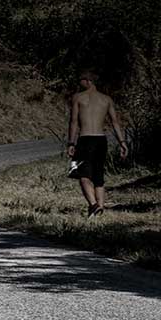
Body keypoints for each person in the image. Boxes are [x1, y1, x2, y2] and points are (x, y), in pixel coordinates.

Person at [67, 68, 128, 217]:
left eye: (80, 80)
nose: (79, 83)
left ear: (88, 81)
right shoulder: (106, 99)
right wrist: (122, 142)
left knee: (82, 175)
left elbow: (74, 122)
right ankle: (100, 209)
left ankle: (94, 205)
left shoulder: (78, 97)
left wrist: (71, 143)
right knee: (98, 176)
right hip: (101, 141)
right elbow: (115, 122)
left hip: (85, 140)